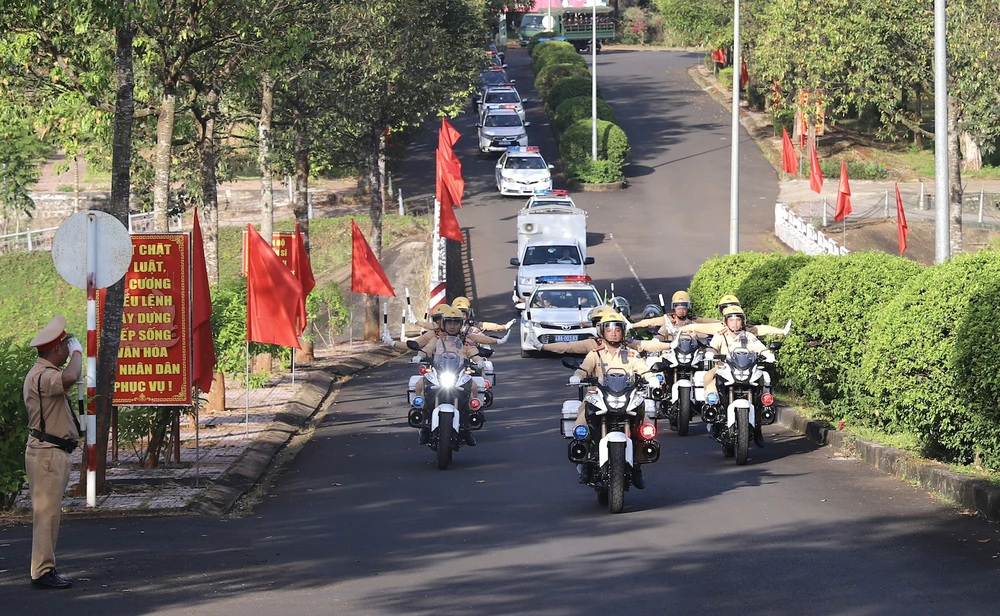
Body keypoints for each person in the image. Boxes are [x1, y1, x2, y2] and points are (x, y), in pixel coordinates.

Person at [23, 315, 83, 590]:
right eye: (65, 348)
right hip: (47, 453)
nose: (67, 352)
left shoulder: (43, 374)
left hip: (50, 452)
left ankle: (45, 568)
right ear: (57, 349)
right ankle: (42, 572)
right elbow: (72, 375)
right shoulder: (45, 376)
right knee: (47, 514)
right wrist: (79, 353)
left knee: (49, 514)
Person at [569, 312, 659, 488]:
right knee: (581, 427)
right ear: (602, 332)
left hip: (627, 396)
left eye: (617, 329)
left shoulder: (631, 354)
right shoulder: (595, 354)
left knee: (646, 428)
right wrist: (577, 376)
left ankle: (638, 465)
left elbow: (643, 369)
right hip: (597, 396)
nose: (613, 333)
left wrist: (651, 377)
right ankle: (586, 464)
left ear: (623, 332)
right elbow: (583, 369)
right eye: (609, 329)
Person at [703, 305, 774, 447]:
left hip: (747, 371)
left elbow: (759, 346)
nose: (735, 323)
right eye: (731, 320)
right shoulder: (721, 335)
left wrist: (767, 353)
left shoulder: (748, 336)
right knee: (708, 381)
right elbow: (712, 346)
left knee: (763, 386)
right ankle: (713, 418)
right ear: (726, 322)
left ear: (743, 321)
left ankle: (758, 427)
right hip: (723, 369)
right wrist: (710, 352)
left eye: (738, 320)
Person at [413, 307, 484, 446]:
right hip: (438, 372)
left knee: (474, 386)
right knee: (420, 385)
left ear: (461, 325)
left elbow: (473, 352)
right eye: (449, 323)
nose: (452, 326)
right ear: (443, 324)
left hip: (459, 373)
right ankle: (422, 422)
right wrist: (419, 356)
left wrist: (479, 361)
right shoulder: (437, 339)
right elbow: (427, 349)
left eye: (456, 323)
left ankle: (468, 426)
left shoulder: (465, 341)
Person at [529, 305, 673, 355]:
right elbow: (567, 347)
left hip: (626, 391)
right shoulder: (592, 346)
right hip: (597, 391)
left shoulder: (627, 343)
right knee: (581, 417)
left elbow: (648, 346)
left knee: (648, 412)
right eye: (598, 324)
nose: (611, 332)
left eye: (614, 327)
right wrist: (543, 346)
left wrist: (671, 345)